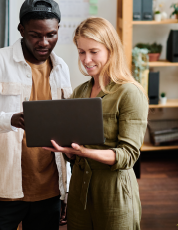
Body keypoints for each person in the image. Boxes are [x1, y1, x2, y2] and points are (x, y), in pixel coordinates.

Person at [0, 0, 73, 229]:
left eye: (51, 35)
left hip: (50, 190)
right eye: (35, 35)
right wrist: (9, 120)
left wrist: (66, 192)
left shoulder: (61, 68)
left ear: (58, 29)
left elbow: (66, 131)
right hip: (4, 188)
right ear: (21, 29)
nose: (44, 42)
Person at [43, 17, 148, 230]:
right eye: (81, 52)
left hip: (113, 191)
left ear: (110, 49)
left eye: (94, 51)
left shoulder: (129, 93)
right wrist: (67, 150)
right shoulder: (79, 92)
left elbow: (128, 156)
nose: (86, 59)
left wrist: (84, 151)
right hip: (80, 191)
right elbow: (73, 148)